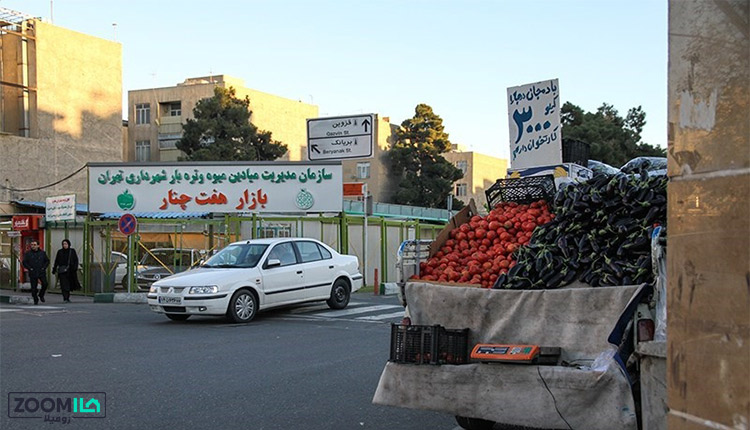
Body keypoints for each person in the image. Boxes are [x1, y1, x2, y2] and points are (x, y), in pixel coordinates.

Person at [22, 240, 50, 305]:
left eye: (34, 245)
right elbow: (24, 262)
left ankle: (41, 294)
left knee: (45, 284)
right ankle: (35, 299)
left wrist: (44, 268)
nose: (33, 246)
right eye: (32, 245)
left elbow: (47, 261)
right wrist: (30, 268)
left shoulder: (42, 253)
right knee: (34, 287)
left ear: (38, 245)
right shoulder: (28, 253)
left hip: (41, 271)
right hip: (33, 271)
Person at [52, 239, 80, 303]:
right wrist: (54, 269)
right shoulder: (60, 252)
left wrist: (75, 268)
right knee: (63, 284)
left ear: (69, 244)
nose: (64, 245)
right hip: (62, 271)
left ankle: (67, 296)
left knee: (69, 284)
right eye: (63, 244)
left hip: (70, 271)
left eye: (66, 244)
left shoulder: (72, 251)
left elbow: (75, 260)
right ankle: (65, 297)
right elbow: (57, 261)